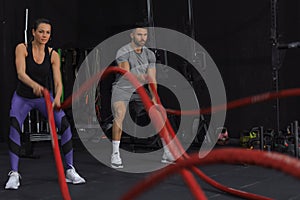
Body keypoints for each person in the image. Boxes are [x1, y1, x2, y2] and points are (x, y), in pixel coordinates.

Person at [5, 18, 86, 189]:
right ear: (33, 32)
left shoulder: (53, 54)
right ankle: (14, 173)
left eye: (47, 32)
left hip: (44, 98)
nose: (44, 35)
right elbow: (20, 73)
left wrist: (57, 97)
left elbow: (58, 81)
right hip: (23, 97)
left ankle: (70, 170)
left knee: (64, 125)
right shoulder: (23, 48)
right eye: (41, 31)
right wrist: (34, 85)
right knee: (14, 125)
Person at [110, 25, 174, 169]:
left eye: (145, 35)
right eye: (139, 35)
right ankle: (115, 153)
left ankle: (167, 152)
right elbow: (126, 74)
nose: (143, 38)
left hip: (140, 90)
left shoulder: (149, 54)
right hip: (122, 88)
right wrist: (142, 76)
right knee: (120, 113)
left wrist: (154, 97)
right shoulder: (123, 51)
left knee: (159, 113)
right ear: (132, 35)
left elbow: (152, 79)